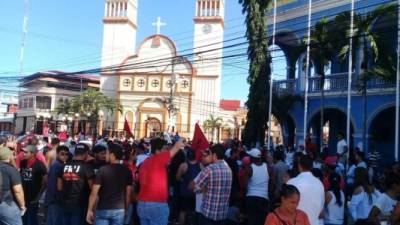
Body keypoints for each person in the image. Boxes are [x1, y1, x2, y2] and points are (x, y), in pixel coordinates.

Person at [136, 138, 184, 225]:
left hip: (142, 204)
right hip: (156, 204)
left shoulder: (144, 163)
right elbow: (176, 147)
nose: (167, 151)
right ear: (158, 151)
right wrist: (182, 139)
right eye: (165, 148)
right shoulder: (158, 159)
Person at [86, 142, 133, 225]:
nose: (105, 156)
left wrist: (90, 210)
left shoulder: (102, 170)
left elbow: (94, 192)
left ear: (112, 154)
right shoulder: (127, 171)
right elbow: (128, 193)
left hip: (103, 208)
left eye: (107, 153)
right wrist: (126, 209)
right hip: (119, 209)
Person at [192, 144, 233, 225]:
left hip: (208, 214)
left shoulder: (209, 169)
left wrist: (205, 189)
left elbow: (195, 189)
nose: (209, 155)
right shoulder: (229, 170)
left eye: (210, 153)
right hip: (222, 213)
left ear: (214, 155)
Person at [57, 143, 95, 225]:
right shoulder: (87, 167)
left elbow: (59, 187)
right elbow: (93, 188)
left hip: (65, 202)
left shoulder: (64, 166)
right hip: (81, 204)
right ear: (86, 154)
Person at [287, 154, 324, 225]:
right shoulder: (319, 184)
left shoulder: (292, 182)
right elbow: (321, 210)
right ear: (312, 166)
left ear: (299, 166)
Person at [19, 145, 48, 225]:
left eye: (26, 152)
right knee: (23, 219)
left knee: (32, 220)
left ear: (32, 154)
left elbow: (46, 182)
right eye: (23, 152)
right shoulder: (23, 163)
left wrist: (38, 197)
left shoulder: (40, 165)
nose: (23, 154)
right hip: (23, 197)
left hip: (33, 198)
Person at [243, 148, 269, 225]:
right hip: (264, 198)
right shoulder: (267, 167)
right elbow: (272, 182)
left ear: (252, 158)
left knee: (252, 221)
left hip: (251, 198)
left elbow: (245, 185)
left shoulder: (249, 168)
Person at [0, 147, 26, 225]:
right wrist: (22, 206)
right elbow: (18, 191)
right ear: (8, 157)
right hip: (6, 204)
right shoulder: (11, 170)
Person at [45, 145, 69, 225]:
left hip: (54, 199)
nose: (65, 156)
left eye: (66, 154)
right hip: (55, 200)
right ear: (57, 154)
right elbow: (52, 184)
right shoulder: (57, 165)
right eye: (62, 154)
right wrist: (58, 198)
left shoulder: (60, 165)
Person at [176, 148, 201, 225]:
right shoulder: (200, 165)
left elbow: (177, 178)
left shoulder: (183, 165)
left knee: (183, 212)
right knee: (194, 212)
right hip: (196, 193)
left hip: (185, 192)